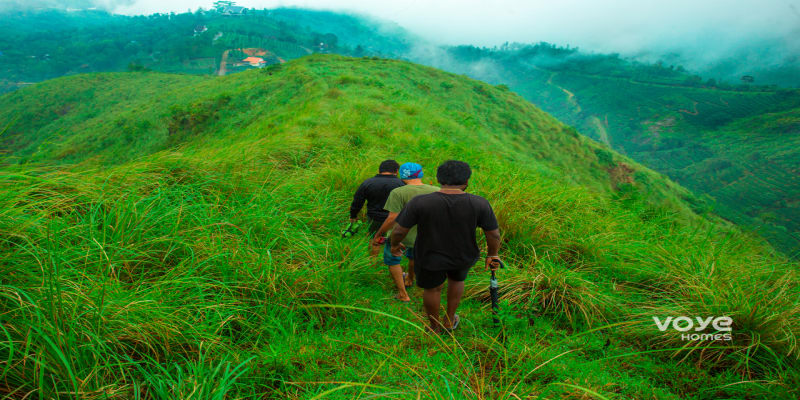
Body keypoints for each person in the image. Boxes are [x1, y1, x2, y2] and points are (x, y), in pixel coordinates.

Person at [390, 160, 501, 333]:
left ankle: (434, 326)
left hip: (429, 254)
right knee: (457, 280)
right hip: (463, 254)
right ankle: (449, 320)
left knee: (432, 288)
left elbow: (399, 230)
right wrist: (492, 255)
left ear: (439, 179)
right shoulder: (479, 203)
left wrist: (395, 245)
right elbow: (493, 234)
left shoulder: (420, 202)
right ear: (466, 182)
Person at [372, 163, 439, 302]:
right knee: (413, 257)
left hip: (399, 235)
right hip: (423, 235)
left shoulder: (398, 192)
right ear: (420, 174)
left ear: (402, 175)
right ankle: (410, 279)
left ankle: (403, 294)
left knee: (393, 260)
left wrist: (379, 234)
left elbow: (392, 218)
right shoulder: (436, 191)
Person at [349, 160, 404, 235]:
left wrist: (353, 215)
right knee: (393, 241)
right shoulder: (401, 184)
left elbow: (357, 201)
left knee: (374, 239)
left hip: (374, 218)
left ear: (379, 170)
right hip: (395, 219)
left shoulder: (368, 183)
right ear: (397, 171)